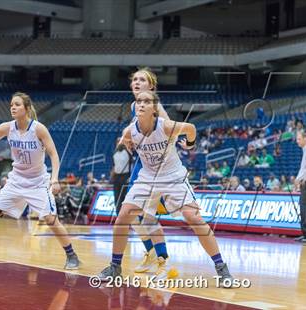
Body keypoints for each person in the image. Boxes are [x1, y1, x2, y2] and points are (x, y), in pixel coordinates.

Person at [98, 91, 233, 286]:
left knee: (193, 217)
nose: (141, 104)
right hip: (148, 176)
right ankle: (115, 267)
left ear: (154, 109)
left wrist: (190, 143)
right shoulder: (129, 131)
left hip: (173, 175)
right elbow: (126, 144)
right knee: (124, 215)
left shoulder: (166, 126)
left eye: (146, 102)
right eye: (138, 101)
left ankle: (221, 268)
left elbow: (191, 127)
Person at [0, 92, 79, 269]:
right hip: (16, 180)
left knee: (50, 219)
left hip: (38, 182)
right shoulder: (7, 127)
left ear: (27, 108)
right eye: (11, 105)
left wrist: (54, 179)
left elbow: (53, 154)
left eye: (17, 105)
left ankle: (71, 255)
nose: (12, 108)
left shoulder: (38, 129)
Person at [123, 67, 173, 275]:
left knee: (146, 216)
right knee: (132, 215)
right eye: (134, 79)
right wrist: (127, 137)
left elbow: (169, 127)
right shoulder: (135, 106)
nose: (136, 82)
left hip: (159, 167)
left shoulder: (156, 105)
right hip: (142, 166)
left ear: (151, 86)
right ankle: (153, 254)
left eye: (141, 79)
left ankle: (162, 258)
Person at [110, 142, 132, 215]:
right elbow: (114, 166)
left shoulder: (128, 152)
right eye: (117, 142)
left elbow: (132, 164)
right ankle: (118, 214)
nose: (119, 143)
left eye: (120, 141)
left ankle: (125, 214)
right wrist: (111, 177)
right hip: (116, 177)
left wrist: (130, 176)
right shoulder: (114, 153)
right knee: (117, 197)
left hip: (125, 176)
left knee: (125, 197)